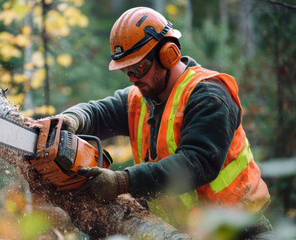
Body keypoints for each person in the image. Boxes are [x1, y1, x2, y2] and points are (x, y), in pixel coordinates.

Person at [56, 7, 273, 238]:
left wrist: (123, 181)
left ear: (168, 54)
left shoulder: (210, 96)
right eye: (126, 70)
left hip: (241, 230)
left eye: (139, 67)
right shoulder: (140, 98)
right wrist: (72, 119)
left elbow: (195, 164)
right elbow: (99, 112)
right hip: (181, 233)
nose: (133, 78)